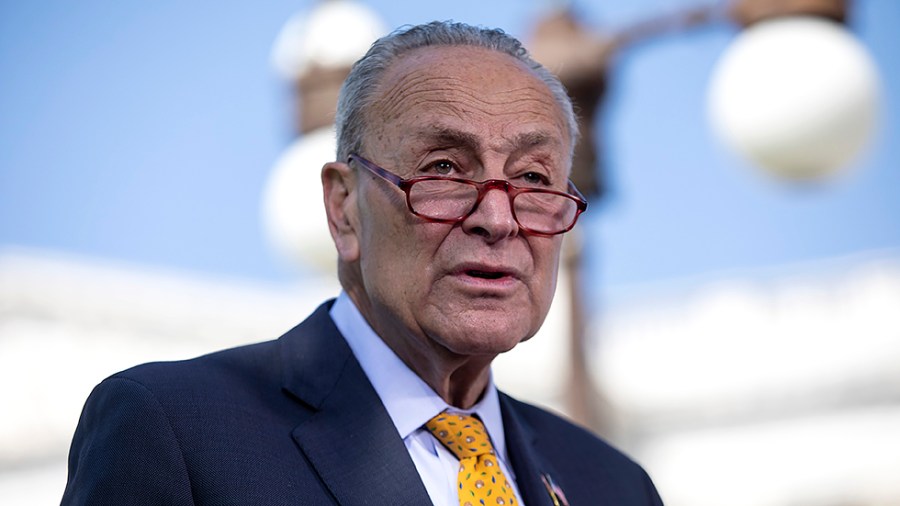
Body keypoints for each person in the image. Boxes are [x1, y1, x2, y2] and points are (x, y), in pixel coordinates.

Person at [62, 21, 663, 505]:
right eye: (445, 169)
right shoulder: (175, 432)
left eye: (533, 178)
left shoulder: (612, 484)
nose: (498, 219)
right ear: (344, 208)